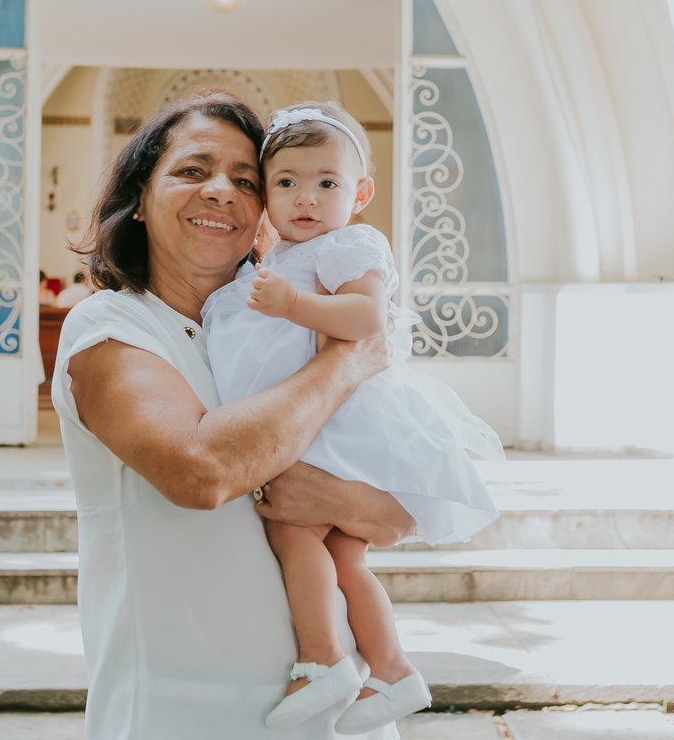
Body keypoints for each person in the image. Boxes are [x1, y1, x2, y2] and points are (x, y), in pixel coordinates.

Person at [51, 93, 413, 740]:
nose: (222, 192)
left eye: (246, 181)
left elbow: (395, 517)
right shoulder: (110, 326)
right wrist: (347, 361)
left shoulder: (271, 331)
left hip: (325, 717)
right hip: (183, 713)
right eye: (193, 171)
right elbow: (202, 471)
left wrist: (331, 494)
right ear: (140, 194)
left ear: (265, 210)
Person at [202, 103, 502, 733]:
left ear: (361, 193)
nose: (305, 197)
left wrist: (292, 304)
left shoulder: (349, 245)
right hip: (320, 418)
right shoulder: (281, 254)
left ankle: (324, 660)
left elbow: (367, 321)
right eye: (286, 182)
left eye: (327, 183)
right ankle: (392, 671)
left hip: (344, 425)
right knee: (345, 559)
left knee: (295, 533)